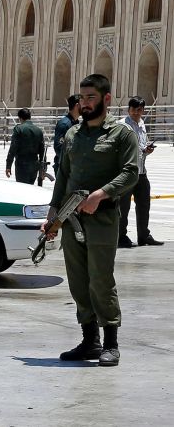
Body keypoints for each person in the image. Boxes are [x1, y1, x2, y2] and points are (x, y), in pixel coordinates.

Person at [42, 74, 138, 367]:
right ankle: (89, 341)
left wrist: (101, 194)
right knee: (79, 282)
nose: (84, 104)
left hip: (104, 220)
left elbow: (131, 172)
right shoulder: (73, 135)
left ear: (106, 99)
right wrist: (53, 213)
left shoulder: (122, 135)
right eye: (81, 98)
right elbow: (64, 176)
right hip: (72, 220)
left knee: (100, 280)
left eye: (90, 98)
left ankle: (111, 343)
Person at [118, 97, 164, 248]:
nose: (137, 113)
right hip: (126, 171)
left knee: (144, 204)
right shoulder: (121, 125)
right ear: (128, 109)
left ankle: (144, 235)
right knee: (123, 206)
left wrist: (146, 150)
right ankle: (121, 236)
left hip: (142, 171)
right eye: (134, 109)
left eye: (140, 110)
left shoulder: (142, 124)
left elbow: (141, 145)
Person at [5, 108, 44, 184]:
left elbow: (13, 148)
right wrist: (42, 167)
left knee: (22, 189)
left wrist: (8, 165)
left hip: (22, 165)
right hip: (34, 165)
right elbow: (42, 150)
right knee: (31, 187)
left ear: (20, 118)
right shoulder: (38, 130)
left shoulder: (18, 129)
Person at [52, 95, 81, 175]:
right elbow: (58, 147)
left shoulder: (76, 123)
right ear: (77, 106)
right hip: (64, 168)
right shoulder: (65, 124)